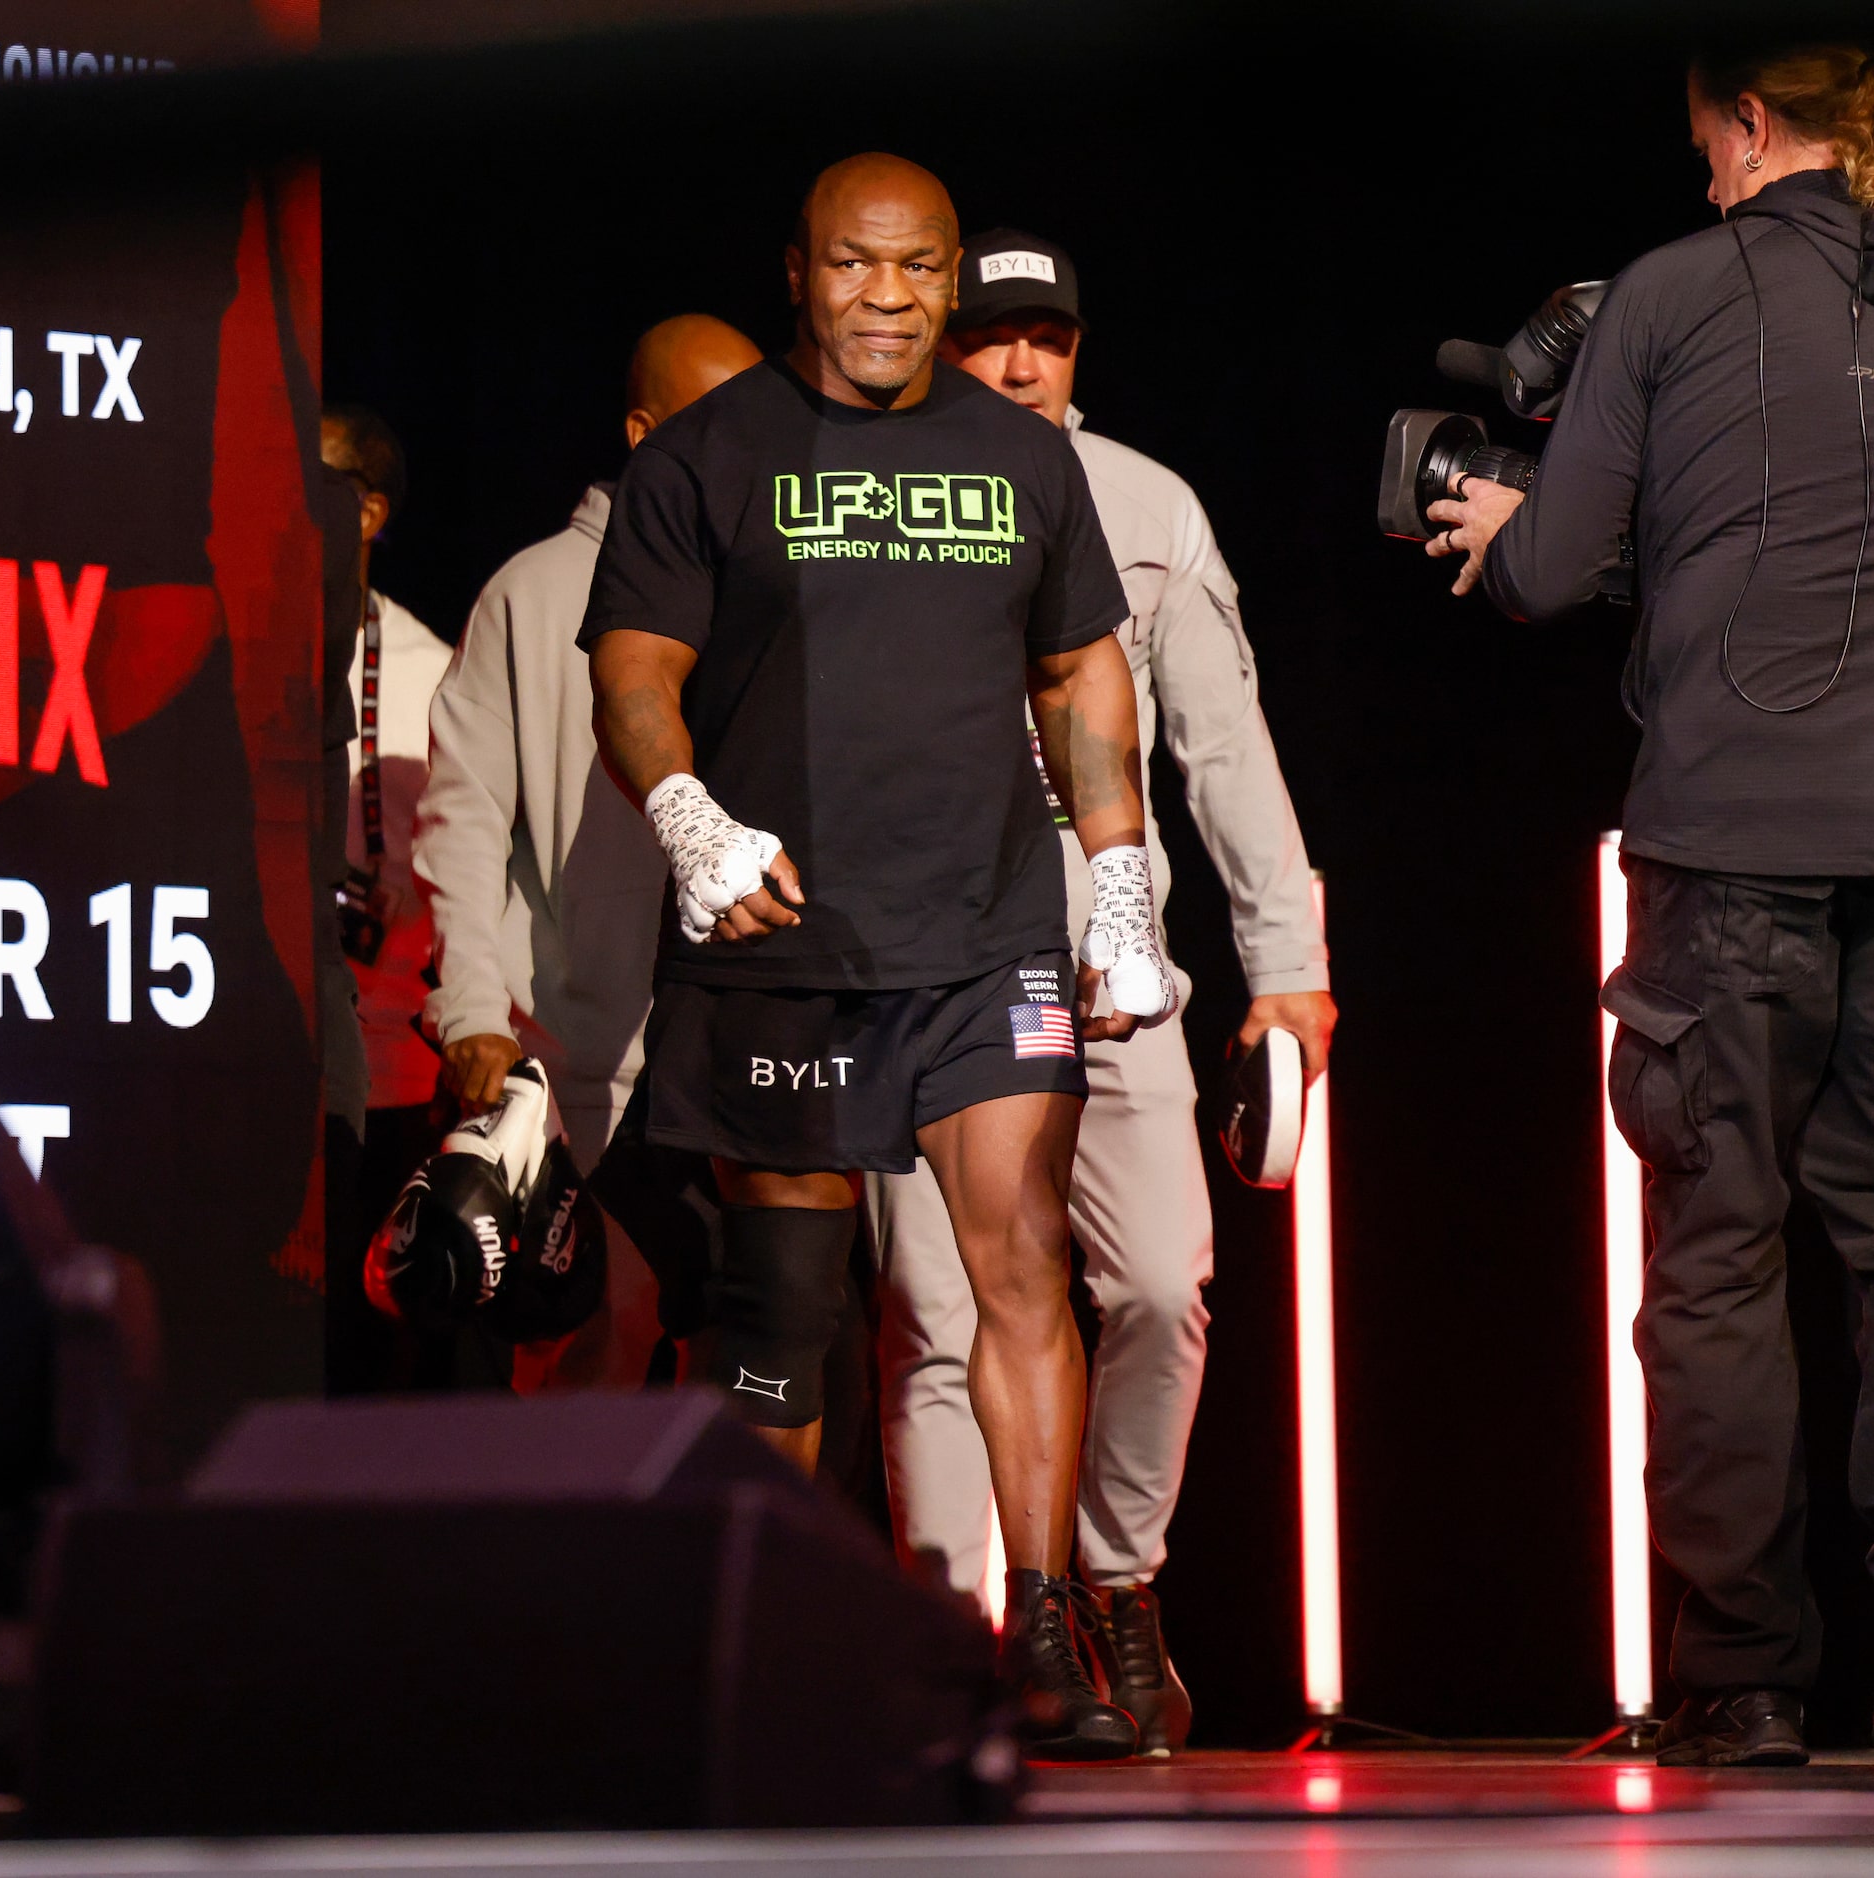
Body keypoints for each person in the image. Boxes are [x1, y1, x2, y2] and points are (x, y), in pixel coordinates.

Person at [1425, 45, 1874, 1768]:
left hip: (1730, 849)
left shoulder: (1668, 293)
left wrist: (1517, 523)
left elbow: (1545, 572)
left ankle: (1743, 1683)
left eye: (1708, 150)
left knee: (1717, 1257)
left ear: (1740, 126)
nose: (1709, 179)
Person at [580, 152, 1165, 1760]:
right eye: (856, 267)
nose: (889, 300)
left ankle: (1036, 1633)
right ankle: (773, 1648)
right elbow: (634, 673)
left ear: (951, 274)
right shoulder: (705, 456)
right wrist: (690, 814)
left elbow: (1084, 677)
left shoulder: (1024, 458)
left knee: (1026, 1263)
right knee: (779, 1306)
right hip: (785, 938)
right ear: (800, 269)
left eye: (918, 271)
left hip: (983, 932)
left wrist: (1117, 881)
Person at [867, 229, 1334, 1755]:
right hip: (930, 928)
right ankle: (968, 1634)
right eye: (991, 335)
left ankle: (1118, 1579)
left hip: (1107, 925)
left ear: (1076, 349)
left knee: (1157, 1286)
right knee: (942, 1313)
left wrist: (1289, 968)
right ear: (942, 337)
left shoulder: (1146, 505)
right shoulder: (879, 491)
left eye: (1045, 339)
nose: (1017, 363)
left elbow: (1225, 744)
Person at [416, 314, 765, 1389]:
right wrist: (472, 1013)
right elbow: (464, 817)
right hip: (580, 1064)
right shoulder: (535, 593)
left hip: (742, 1054)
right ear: (640, 431)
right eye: (712, 424)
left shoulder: (774, 593)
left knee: (763, 1349)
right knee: (582, 1361)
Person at [318, 403, 463, 1393]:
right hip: (241, 1067)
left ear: (366, 513)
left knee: (377, 1356)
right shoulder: (226, 645)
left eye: (310, 477)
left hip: (388, 1086)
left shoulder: (426, 672)